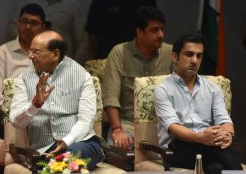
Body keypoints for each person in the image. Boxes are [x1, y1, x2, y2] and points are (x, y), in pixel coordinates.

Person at [9, 30, 103, 169]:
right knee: (58, 163)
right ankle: (60, 165)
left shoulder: (82, 76)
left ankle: (61, 165)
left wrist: (66, 141)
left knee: (72, 157)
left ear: (55, 54)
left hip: (80, 143)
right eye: (30, 51)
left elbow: (86, 120)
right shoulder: (24, 79)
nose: (30, 56)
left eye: (36, 52)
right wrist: (36, 103)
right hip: (45, 150)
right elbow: (16, 122)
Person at [154, 34, 242, 173]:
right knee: (217, 147)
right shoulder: (163, 89)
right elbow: (173, 127)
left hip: (208, 145)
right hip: (176, 149)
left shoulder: (213, 88)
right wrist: (200, 138)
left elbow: (224, 120)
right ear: (175, 57)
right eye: (189, 54)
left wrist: (228, 135)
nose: (194, 60)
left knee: (215, 168)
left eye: (199, 56)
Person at [102, 7, 173, 149]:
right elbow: (110, 97)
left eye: (162, 29)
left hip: (163, 123)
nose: (161, 35)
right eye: (154, 30)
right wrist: (117, 130)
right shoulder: (120, 52)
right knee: (118, 148)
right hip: (128, 123)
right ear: (139, 32)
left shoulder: (170, 53)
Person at [0, 3, 46, 107]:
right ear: (18, 23)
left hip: (43, 112)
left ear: (43, 27)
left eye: (34, 23)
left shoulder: (48, 54)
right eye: (24, 21)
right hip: (13, 113)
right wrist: (20, 112)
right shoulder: (3, 52)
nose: (28, 27)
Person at [9, 0, 91, 65]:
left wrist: (75, 65)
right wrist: (27, 49)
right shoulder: (26, 1)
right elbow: (14, 27)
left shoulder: (73, 5)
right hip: (24, 59)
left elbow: (84, 40)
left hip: (62, 64)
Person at [85, 0, 157, 59]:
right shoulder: (100, 2)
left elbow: (155, 27)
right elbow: (92, 32)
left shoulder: (147, 2)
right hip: (108, 58)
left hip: (141, 58)